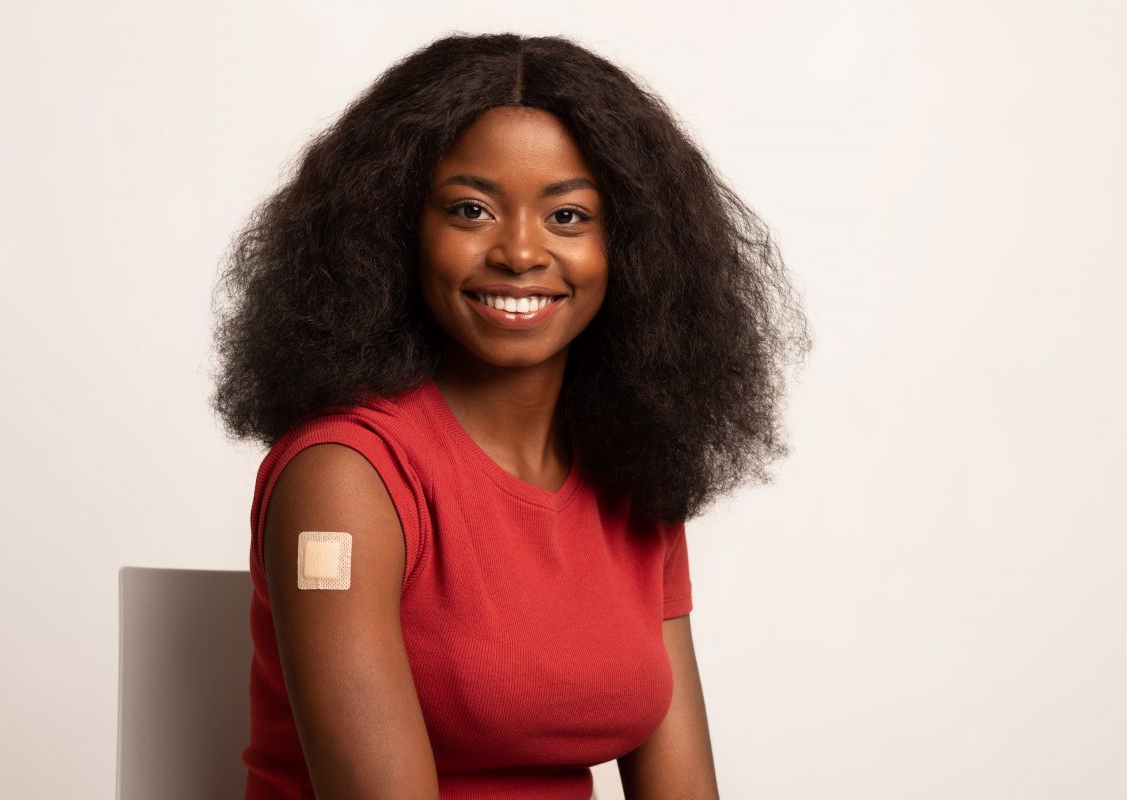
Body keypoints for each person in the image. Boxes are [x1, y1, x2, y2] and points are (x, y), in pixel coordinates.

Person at [211, 32, 811, 800]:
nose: (521, 253)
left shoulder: (633, 470)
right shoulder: (346, 475)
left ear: (631, 247)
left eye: (567, 216)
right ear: (397, 231)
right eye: (471, 209)